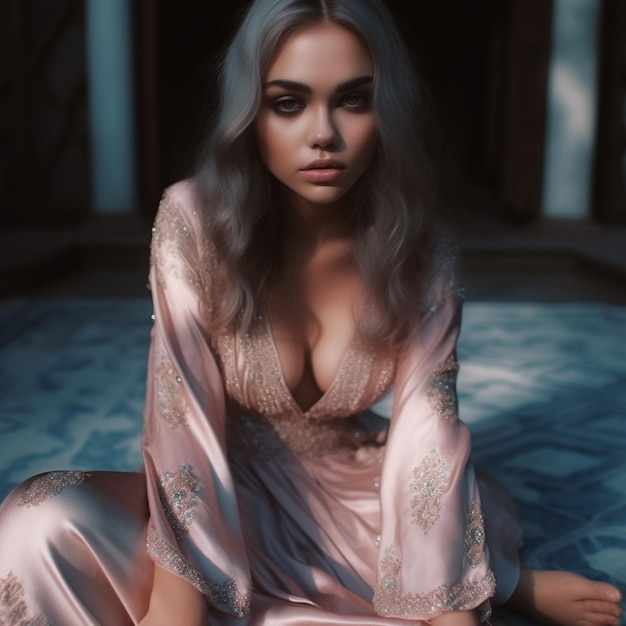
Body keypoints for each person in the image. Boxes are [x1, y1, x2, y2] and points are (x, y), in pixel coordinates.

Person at [0, 0, 622, 624]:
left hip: (360, 498)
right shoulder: (192, 223)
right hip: (214, 493)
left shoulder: (424, 252)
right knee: (43, 522)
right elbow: (179, 421)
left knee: (451, 506)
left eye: (353, 99)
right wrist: (177, 602)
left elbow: (425, 440)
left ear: (387, 111)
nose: (323, 132)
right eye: (289, 103)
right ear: (251, 112)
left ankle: (504, 581)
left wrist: (448, 613)